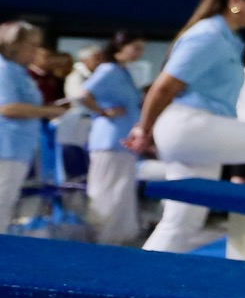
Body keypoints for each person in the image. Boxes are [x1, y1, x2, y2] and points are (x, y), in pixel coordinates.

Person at [127, 0, 245, 253]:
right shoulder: (207, 35)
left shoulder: (227, 39)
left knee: (182, 222)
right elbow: (162, 88)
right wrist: (143, 129)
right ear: (235, 0)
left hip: (196, 129)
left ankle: (137, 285)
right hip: (189, 124)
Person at [78, 31, 146, 243]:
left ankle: (119, 237)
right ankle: (103, 238)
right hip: (108, 140)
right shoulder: (108, 70)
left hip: (123, 141)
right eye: (135, 47)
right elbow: (82, 94)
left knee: (122, 192)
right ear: (120, 48)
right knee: (107, 190)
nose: (139, 53)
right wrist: (102, 111)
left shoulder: (123, 72)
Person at [0, 21, 66, 233]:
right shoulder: (4, 69)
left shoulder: (18, 71)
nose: (36, 51)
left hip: (17, 148)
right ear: (14, 44)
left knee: (6, 205)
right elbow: (7, 108)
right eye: (32, 45)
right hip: (5, 148)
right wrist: (49, 112)